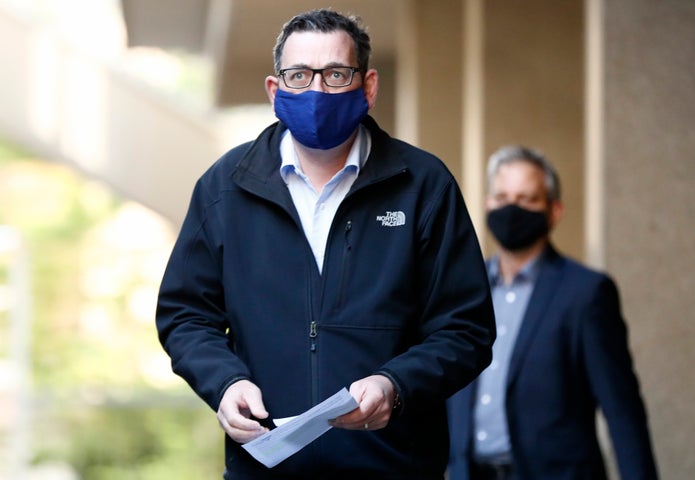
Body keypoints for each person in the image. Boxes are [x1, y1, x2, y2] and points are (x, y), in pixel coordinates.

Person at [156, 9, 496, 480]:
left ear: (368, 86)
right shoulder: (225, 189)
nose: (316, 91)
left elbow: (467, 329)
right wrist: (225, 383)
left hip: (396, 467)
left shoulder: (423, 185)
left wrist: (394, 384)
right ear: (275, 91)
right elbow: (186, 316)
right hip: (266, 469)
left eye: (336, 74)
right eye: (298, 75)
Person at [447, 146, 658, 480]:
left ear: (554, 210)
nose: (511, 208)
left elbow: (622, 410)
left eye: (526, 198)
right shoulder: (462, 290)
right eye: (501, 197)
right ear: (487, 204)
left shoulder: (586, 293)